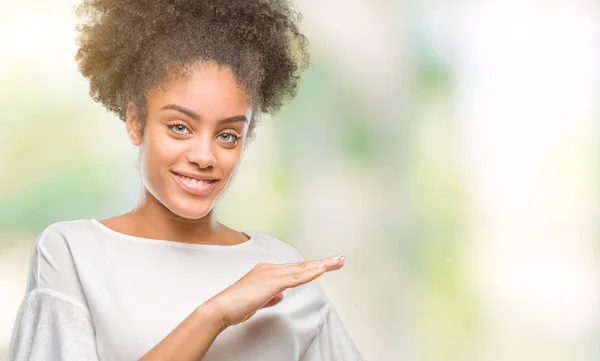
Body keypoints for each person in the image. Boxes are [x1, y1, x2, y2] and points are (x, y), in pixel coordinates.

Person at [7, 0, 366, 360]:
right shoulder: (73, 253)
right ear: (135, 122)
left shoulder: (281, 266)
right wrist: (214, 314)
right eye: (180, 127)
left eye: (228, 135)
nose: (204, 157)